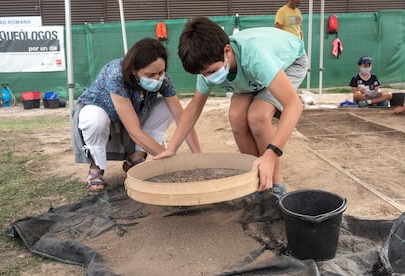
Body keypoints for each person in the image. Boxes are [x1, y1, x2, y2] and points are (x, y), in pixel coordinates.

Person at [154, 17, 307, 197]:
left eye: (211, 72)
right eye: (203, 74)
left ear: (227, 51)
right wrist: (172, 148)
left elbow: (294, 105)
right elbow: (195, 107)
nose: (208, 78)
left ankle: (275, 184)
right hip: (249, 76)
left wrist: (271, 154)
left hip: (289, 63)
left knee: (257, 116)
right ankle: (255, 179)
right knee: (236, 116)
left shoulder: (256, 56)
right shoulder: (208, 64)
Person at [72, 38, 201, 194]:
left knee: (167, 106)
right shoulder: (116, 75)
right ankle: (96, 165)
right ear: (134, 70)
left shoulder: (163, 79)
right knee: (95, 120)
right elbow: (134, 131)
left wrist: (199, 157)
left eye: (161, 72)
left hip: (134, 111)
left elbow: (182, 118)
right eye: (150, 74)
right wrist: (170, 162)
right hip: (102, 110)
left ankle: (136, 157)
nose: (157, 78)